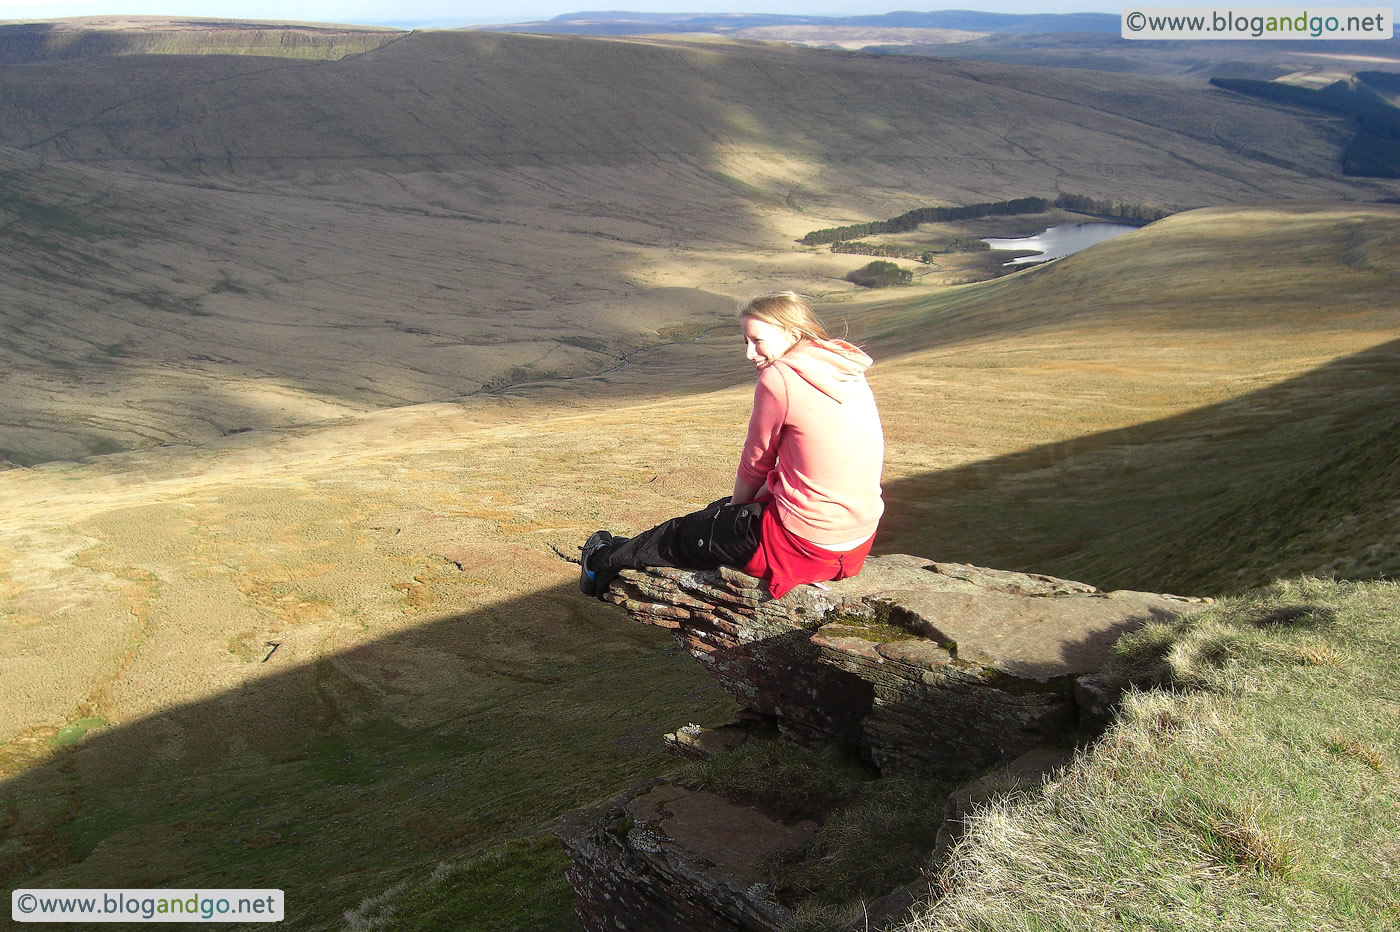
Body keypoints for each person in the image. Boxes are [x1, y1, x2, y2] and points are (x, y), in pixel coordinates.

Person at [578, 291, 885, 601]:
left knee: (684, 534)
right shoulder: (844, 367)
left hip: (800, 545)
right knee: (714, 516)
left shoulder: (780, 378)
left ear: (792, 333)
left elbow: (755, 465)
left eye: (758, 341)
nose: (750, 353)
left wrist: (731, 513)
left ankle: (598, 563)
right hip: (854, 543)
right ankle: (617, 550)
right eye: (746, 342)